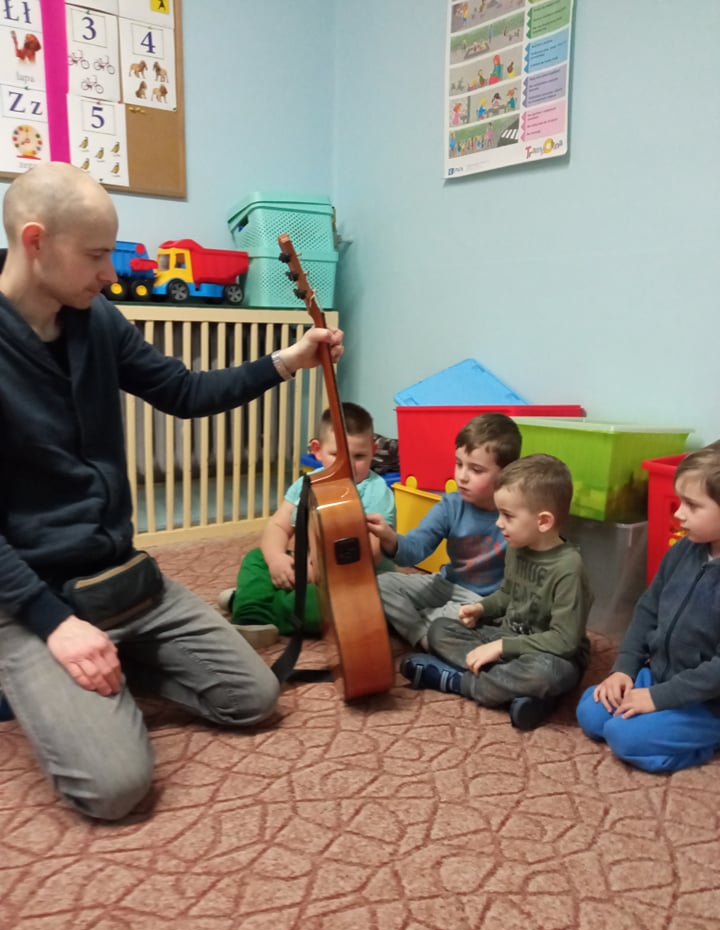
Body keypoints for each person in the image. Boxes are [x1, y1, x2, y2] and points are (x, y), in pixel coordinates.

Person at [0, 161, 343, 821]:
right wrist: (55, 627)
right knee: (115, 788)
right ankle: (37, 669)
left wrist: (287, 361)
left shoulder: (97, 319)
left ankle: (109, 667)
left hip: (120, 579)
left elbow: (183, 392)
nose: (110, 273)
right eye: (96, 255)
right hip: (33, 600)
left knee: (254, 697)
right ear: (36, 241)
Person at [400, 454, 593, 731]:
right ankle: (517, 692)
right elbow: (506, 595)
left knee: (546, 673)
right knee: (440, 629)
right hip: (508, 638)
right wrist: (482, 609)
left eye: (508, 516)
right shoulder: (517, 546)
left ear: (543, 521)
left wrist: (501, 647)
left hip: (552, 654)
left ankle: (460, 681)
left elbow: (565, 641)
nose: (499, 523)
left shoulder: (569, 568)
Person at [576, 442, 720, 772]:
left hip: (708, 702)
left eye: (692, 505)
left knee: (625, 736)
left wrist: (659, 699)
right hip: (659, 674)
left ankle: (706, 740)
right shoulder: (684, 549)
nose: (678, 514)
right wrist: (624, 669)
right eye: (680, 501)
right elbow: (648, 610)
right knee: (592, 712)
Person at [218, 401, 396, 644]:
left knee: (321, 608)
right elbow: (278, 526)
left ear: (373, 451)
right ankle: (251, 619)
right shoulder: (306, 483)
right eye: (336, 455)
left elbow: (371, 553)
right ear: (317, 450)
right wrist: (276, 559)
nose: (347, 465)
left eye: (359, 456)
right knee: (256, 559)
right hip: (308, 567)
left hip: (355, 584)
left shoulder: (376, 491)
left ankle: (250, 605)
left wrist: (319, 571)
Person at [366, 412, 522, 652]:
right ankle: (424, 635)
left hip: (484, 600)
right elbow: (416, 549)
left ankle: (428, 627)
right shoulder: (451, 505)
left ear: (505, 473)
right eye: (459, 464)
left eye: (476, 469)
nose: (462, 476)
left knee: (460, 615)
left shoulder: (516, 514)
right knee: (380, 584)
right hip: (446, 584)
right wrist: (390, 538)